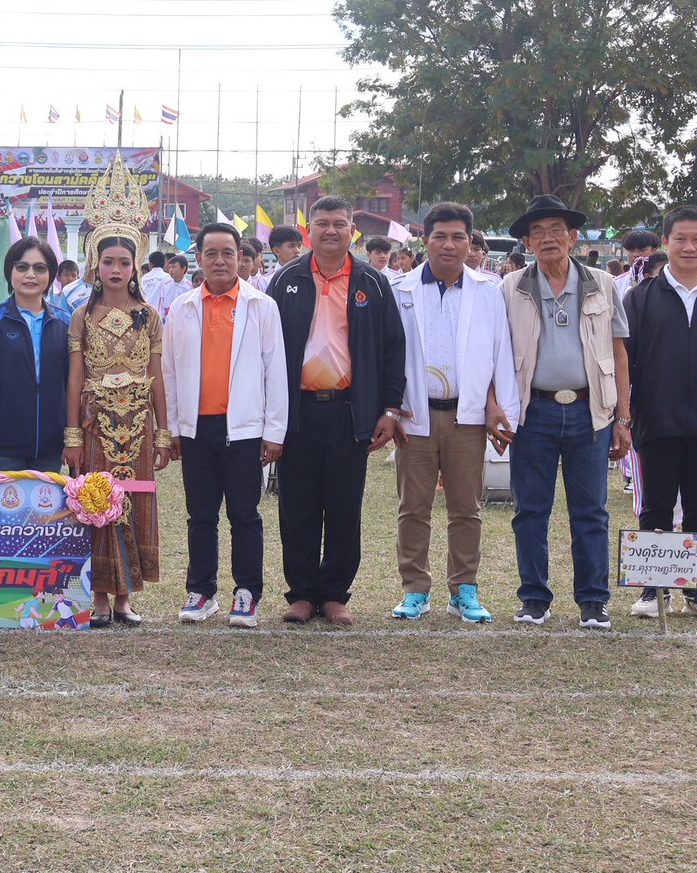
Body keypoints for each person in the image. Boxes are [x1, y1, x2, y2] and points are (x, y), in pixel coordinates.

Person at [267, 195, 405, 625]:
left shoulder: (373, 282)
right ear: (308, 230)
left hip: (349, 411)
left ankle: (334, 594)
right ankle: (302, 594)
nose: (331, 230)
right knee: (297, 507)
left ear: (352, 231)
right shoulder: (285, 279)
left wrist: (390, 409)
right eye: (322, 223)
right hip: (297, 412)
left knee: (344, 507)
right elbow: (264, 350)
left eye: (339, 224)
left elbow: (392, 348)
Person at [501, 194, 631, 629]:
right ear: (526, 242)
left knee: (591, 511)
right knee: (530, 510)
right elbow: (496, 352)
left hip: (589, 411)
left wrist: (623, 417)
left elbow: (619, 354)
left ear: (573, 237)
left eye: (557, 229)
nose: (548, 238)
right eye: (537, 232)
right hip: (532, 412)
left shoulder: (603, 283)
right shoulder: (511, 287)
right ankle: (534, 598)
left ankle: (594, 600)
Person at [387, 203, 519, 625]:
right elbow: (388, 355)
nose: (449, 244)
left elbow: (500, 354)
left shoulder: (488, 290)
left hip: (468, 416)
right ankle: (415, 588)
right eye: (440, 236)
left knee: (466, 507)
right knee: (414, 506)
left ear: (470, 242)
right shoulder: (401, 289)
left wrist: (498, 406)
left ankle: (464, 588)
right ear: (424, 240)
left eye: (458, 236)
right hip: (415, 416)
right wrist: (390, 409)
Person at [64, 155, 172, 627]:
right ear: (95, 263)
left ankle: (125, 597)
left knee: (134, 502)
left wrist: (164, 433)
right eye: (107, 260)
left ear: (135, 266)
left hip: (138, 425)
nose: (115, 268)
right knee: (95, 502)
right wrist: (72, 435)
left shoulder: (149, 317)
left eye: (124, 262)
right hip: (95, 423)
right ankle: (100, 598)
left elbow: (156, 376)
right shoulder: (82, 316)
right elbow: (74, 378)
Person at [163, 222, 288, 629]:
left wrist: (274, 431)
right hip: (196, 428)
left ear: (242, 257)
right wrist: (173, 428)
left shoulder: (261, 306)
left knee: (245, 514)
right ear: (198, 258)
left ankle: (247, 593)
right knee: (200, 515)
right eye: (211, 253)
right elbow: (169, 372)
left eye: (228, 253)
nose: (220, 260)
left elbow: (275, 371)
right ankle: (202, 591)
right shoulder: (181, 308)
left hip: (245, 429)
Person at [621, 205, 697, 615]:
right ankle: (654, 590)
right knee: (656, 506)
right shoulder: (640, 298)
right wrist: (623, 416)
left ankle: (695, 591)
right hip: (655, 421)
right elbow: (624, 362)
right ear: (665, 243)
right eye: (681, 239)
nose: (690, 247)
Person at [0, 236, 72, 473]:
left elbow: (73, 381)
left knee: (46, 500)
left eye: (40, 268)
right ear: (10, 271)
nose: (30, 275)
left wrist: (71, 434)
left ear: (50, 274)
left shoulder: (64, 322)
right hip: (1, 447)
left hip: (50, 448)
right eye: (22, 267)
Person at [614, 228, 662, 301]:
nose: (636, 254)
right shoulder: (617, 283)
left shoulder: (665, 280)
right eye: (631, 250)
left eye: (642, 250)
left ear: (654, 251)